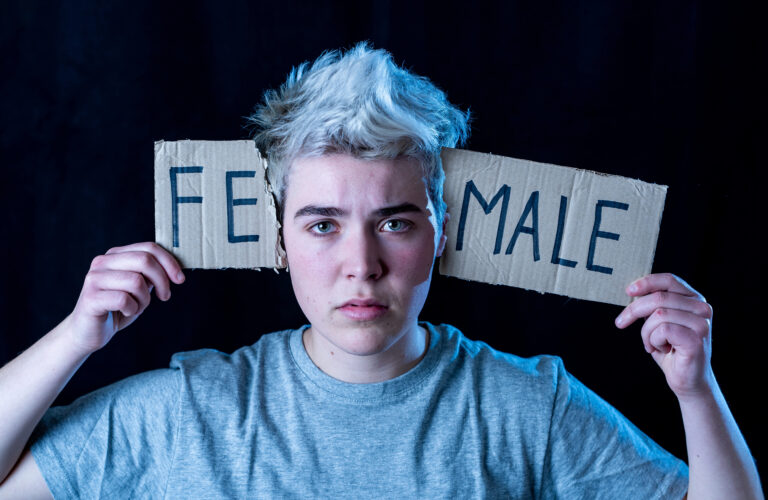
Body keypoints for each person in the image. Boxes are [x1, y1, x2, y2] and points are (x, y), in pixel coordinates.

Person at [0, 43, 762, 499]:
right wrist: (76, 337)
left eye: (395, 222)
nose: (360, 267)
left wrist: (695, 390)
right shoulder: (191, 409)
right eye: (322, 225)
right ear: (279, 239)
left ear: (441, 234)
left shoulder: (527, 408)